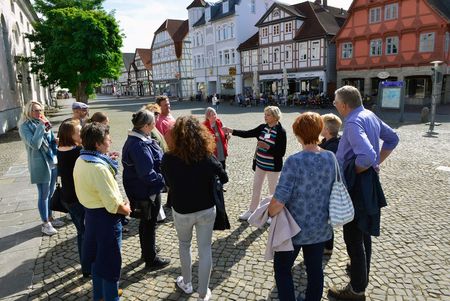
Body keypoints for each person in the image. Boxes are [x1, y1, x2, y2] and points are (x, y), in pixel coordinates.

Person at [328, 86, 399, 300]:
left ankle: (357, 290)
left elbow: (367, 156)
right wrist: (375, 163)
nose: (334, 105)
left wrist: (360, 169)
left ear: (344, 104)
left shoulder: (351, 122)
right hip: (367, 182)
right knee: (364, 231)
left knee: (353, 237)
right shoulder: (369, 114)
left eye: (335, 102)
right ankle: (361, 274)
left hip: (356, 184)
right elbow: (393, 139)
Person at [268, 112, 336, 301]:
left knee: (282, 270)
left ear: (298, 134)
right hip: (320, 227)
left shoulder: (294, 161)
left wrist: (269, 212)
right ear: (319, 131)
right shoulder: (331, 157)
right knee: (315, 271)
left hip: (293, 230)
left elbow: (280, 199)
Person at [161, 116, 228, 301]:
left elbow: (167, 184)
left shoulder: (168, 158)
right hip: (206, 208)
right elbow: (224, 177)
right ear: (200, 134)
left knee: (184, 245)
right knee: (205, 249)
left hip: (182, 209)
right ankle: (203, 292)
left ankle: (187, 283)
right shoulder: (207, 156)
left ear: (176, 136)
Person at [73, 122, 131, 301]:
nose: (110, 140)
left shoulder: (82, 158)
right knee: (110, 264)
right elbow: (113, 205)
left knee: (98, 262)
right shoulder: (99, 168)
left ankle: (99, 295)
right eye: (107, 139)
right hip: (106, 220)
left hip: (91, 216)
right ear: (97, 144)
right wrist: (127, 209)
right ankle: (111, 296)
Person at [121, 109, 171, 270]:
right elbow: (147, 174)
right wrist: (165, 181)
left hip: (144, 188)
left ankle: (147, 251)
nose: (155, 123)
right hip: (146, 190)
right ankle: (151, 258)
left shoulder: (139, 139)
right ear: (146, 125)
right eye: (153, 122)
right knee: (149, 223)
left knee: (146, 221)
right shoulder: (138, 145)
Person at [224, 106, 287, 221]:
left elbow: (281, 152)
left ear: (275, 116)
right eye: (265, 114)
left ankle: (273, 214)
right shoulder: (263, 128)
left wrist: (267, 147)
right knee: (256, 188)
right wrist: (231, 130)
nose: (265, 117)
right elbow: (248, 133)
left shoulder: (281, 131)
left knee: (273, 191)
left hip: (273, 167)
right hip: (260, 164)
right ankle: (252, 211)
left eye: (268, 115)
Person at [19, 101, 63, 236]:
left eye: (40, 110)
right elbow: (34, 144)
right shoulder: (24, 126)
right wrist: (40, 127)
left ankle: (50, 217)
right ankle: (45, 223)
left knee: (50, 192)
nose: (39, 113)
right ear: (28, 112)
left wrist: (55, 141)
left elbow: (49, 140)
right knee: (43, 195)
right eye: (35, 111)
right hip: (39, 163)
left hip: (51, 161)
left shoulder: (44, 121)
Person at [57, 119, 90, 276]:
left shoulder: (61, 149)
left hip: (67, 197)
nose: (81, 133)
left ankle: (86, 266)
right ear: (70, 135)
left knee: (80, 233)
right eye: (78, 131)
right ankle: (88, 268)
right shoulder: (77, 152)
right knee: (86, 233)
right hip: (78, 198)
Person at [319, 113, 342, 256]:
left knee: (326, 217)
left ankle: (327, 246)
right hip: (326, 187)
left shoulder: (332, 147)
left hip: (327, 188)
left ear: (326, 129)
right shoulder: (328, 142)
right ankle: (327, 245)